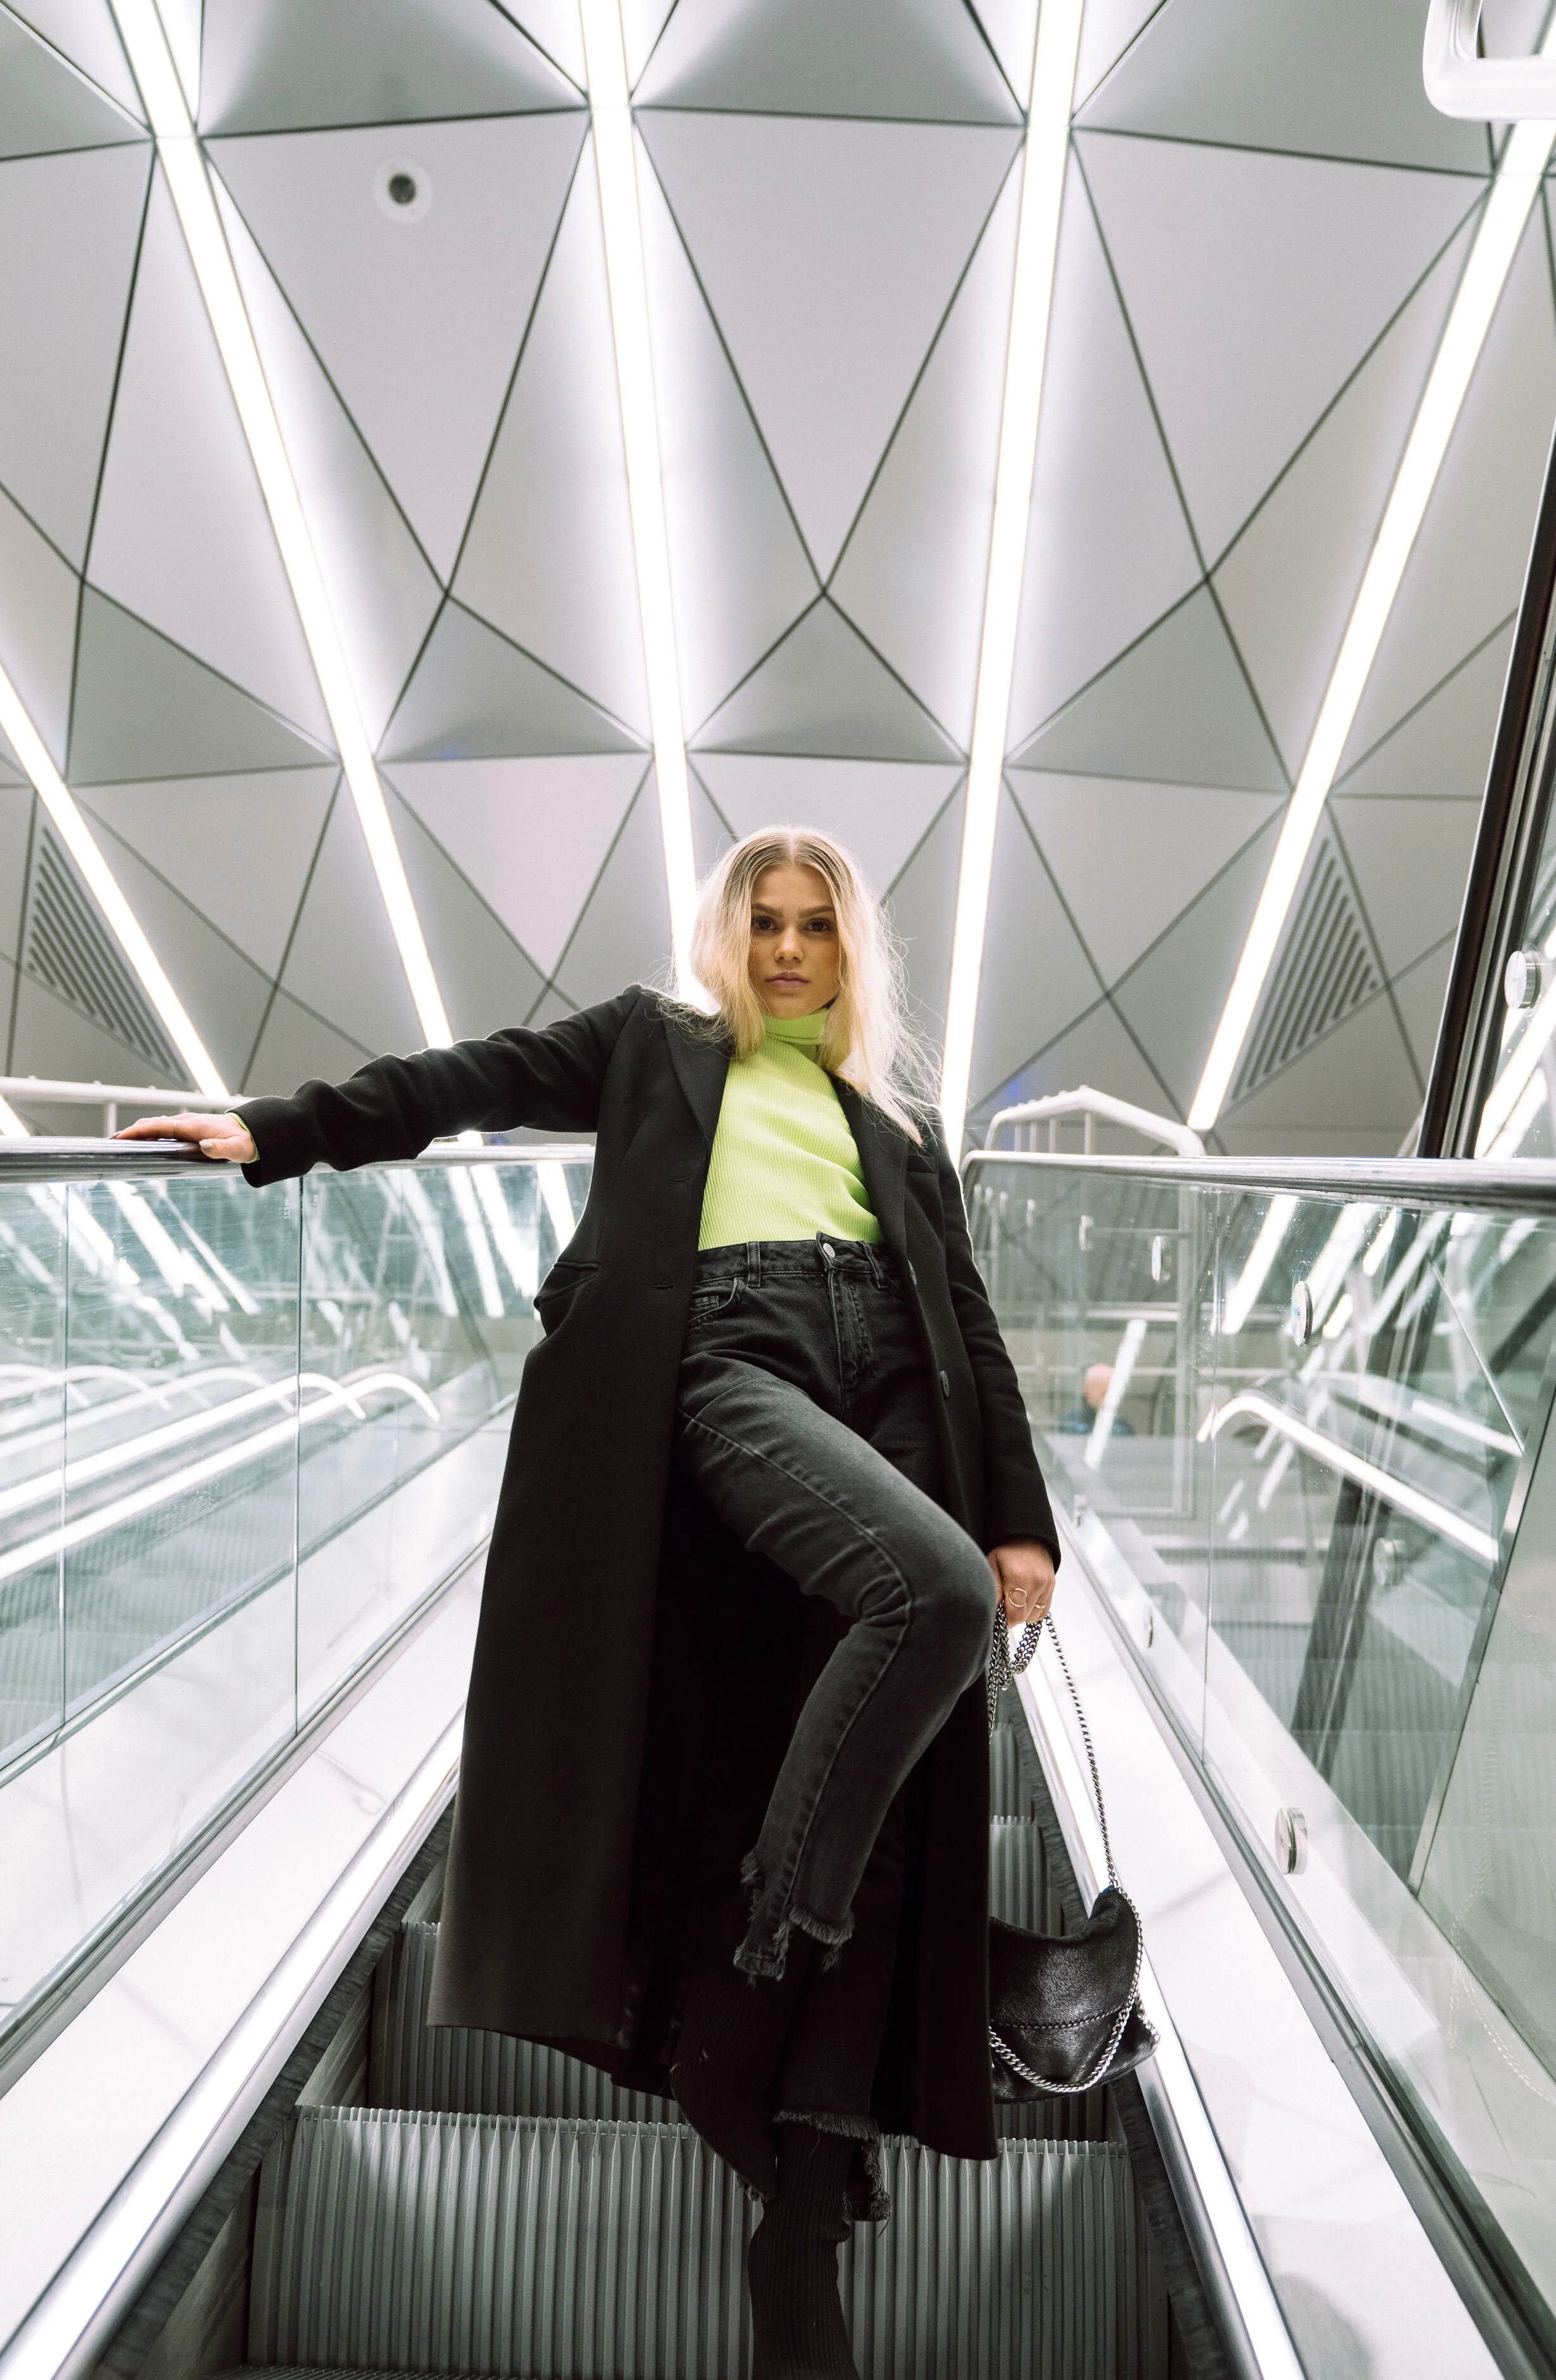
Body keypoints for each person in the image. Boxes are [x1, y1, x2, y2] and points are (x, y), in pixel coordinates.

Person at [119, 826, 1057, 2379]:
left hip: (893, 1370)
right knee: (927, 1595)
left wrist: (1021, 1510)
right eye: (762, 920)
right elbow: (465, 1078)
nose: (784, 949)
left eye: (814, 926)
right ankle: (762, 1946)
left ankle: (801, 2208)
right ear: (726, 931)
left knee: (910, 1733)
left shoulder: (898, 1121)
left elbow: (969, 1314)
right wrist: (281, 1126)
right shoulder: (652, 1043)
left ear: (852, 949)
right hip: (731, 1348)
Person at [1058, 1358, 1133, 1436]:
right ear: (1087, 1391)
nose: (1107, 1399)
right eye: (1103, 1393)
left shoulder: (1123, 1428)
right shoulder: (1071, 1423)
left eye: (1111, 1393)